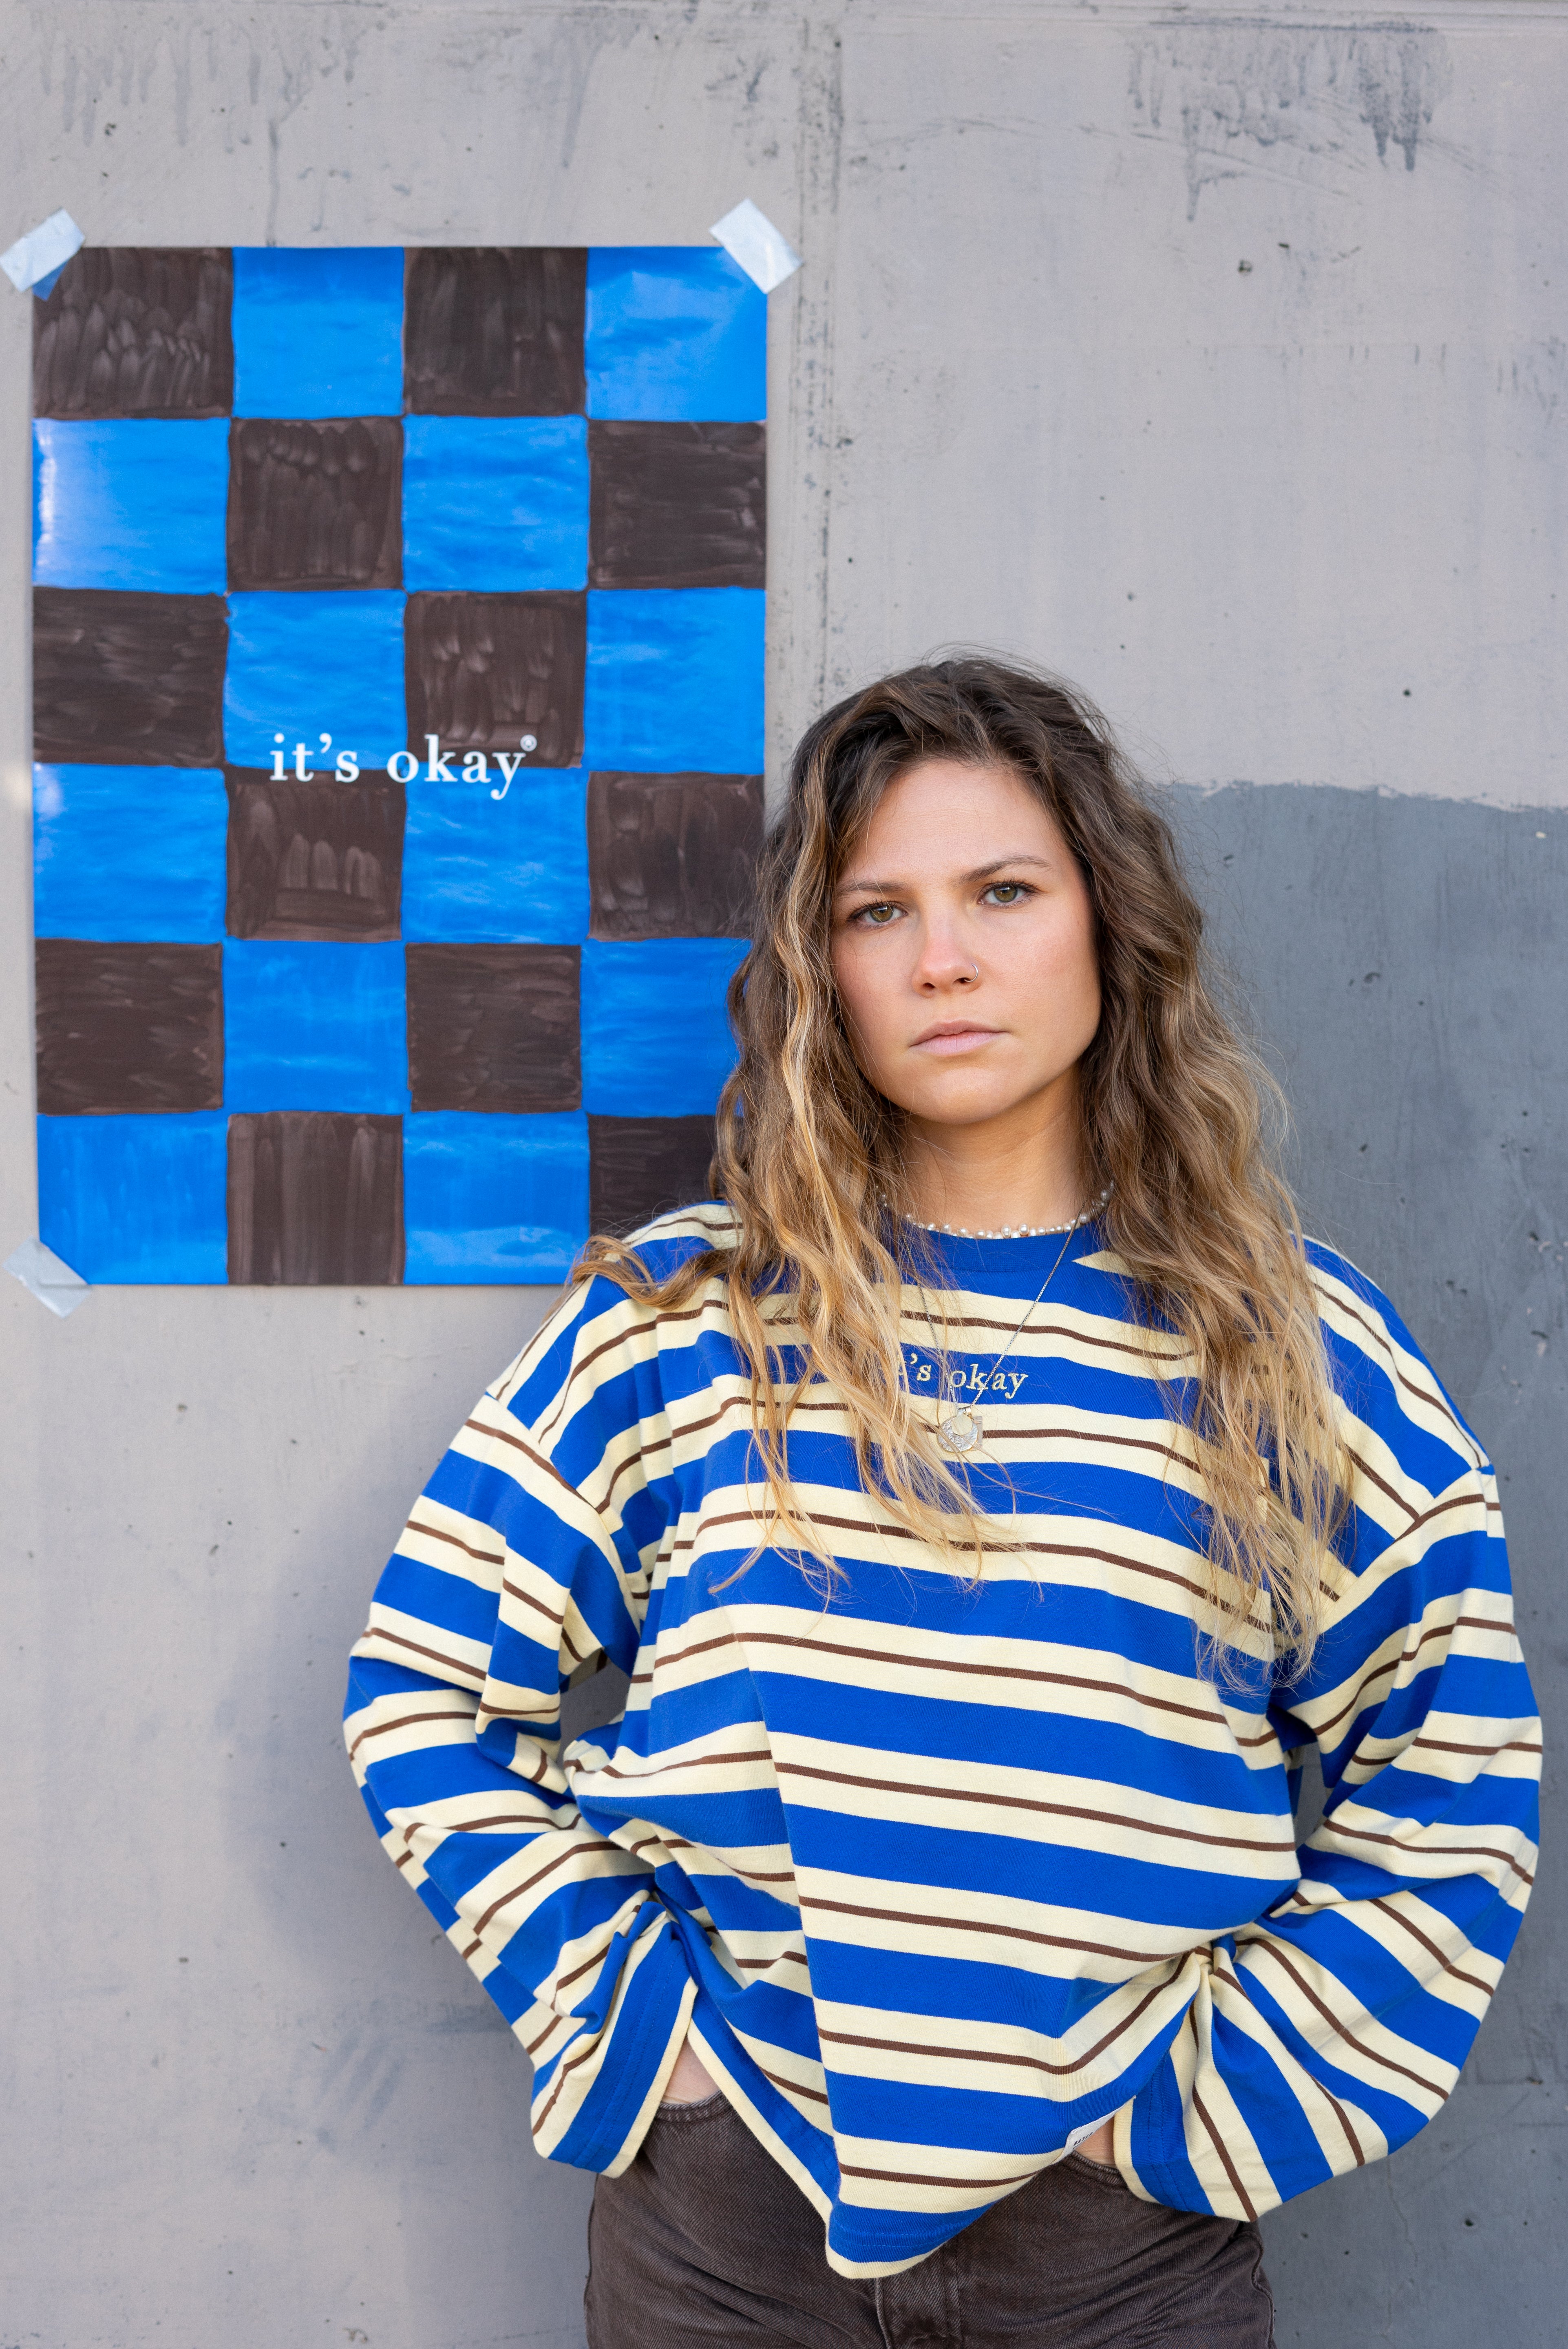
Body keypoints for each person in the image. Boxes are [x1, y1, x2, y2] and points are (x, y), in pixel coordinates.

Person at [344, 660, 1539, 2347]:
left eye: (999, 893)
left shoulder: (1285, 1337)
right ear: (817, 968)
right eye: (874, 911)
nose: (943, 961)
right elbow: (421, 1693)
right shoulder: (683, 1322)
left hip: (1118, 2247)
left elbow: (1449, 1765)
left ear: (1103, 924)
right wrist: (647, 2046)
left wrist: (1221, 2114)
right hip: (725, 2236)